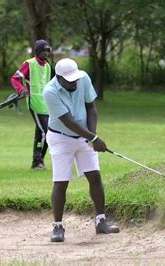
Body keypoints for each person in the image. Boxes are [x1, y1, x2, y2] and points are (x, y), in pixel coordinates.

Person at [43, 58, 120, 242]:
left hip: (84, 136)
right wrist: (93, 138)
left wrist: (92, 135)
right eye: (69, 80)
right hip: (60, 138)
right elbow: (68, 121)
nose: (74, 83)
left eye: (75, 79)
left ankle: (101, 221)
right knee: (61, 182)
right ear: (59, 78)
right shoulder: (50, 92)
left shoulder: (83, 78)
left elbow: (91, 107)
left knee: (95, 176)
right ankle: (58, 227)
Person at [11, 39, 52, 169]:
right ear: (38, 51)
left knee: (40, 134)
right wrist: (21, 89)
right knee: (47, 133)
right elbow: (15, 78)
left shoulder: (48, 66)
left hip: (46, 104)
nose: (46, 53)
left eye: (48, 50)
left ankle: (36, 161)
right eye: (44, 50)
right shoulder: (29, 64)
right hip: (35, 103)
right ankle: (39, 161)